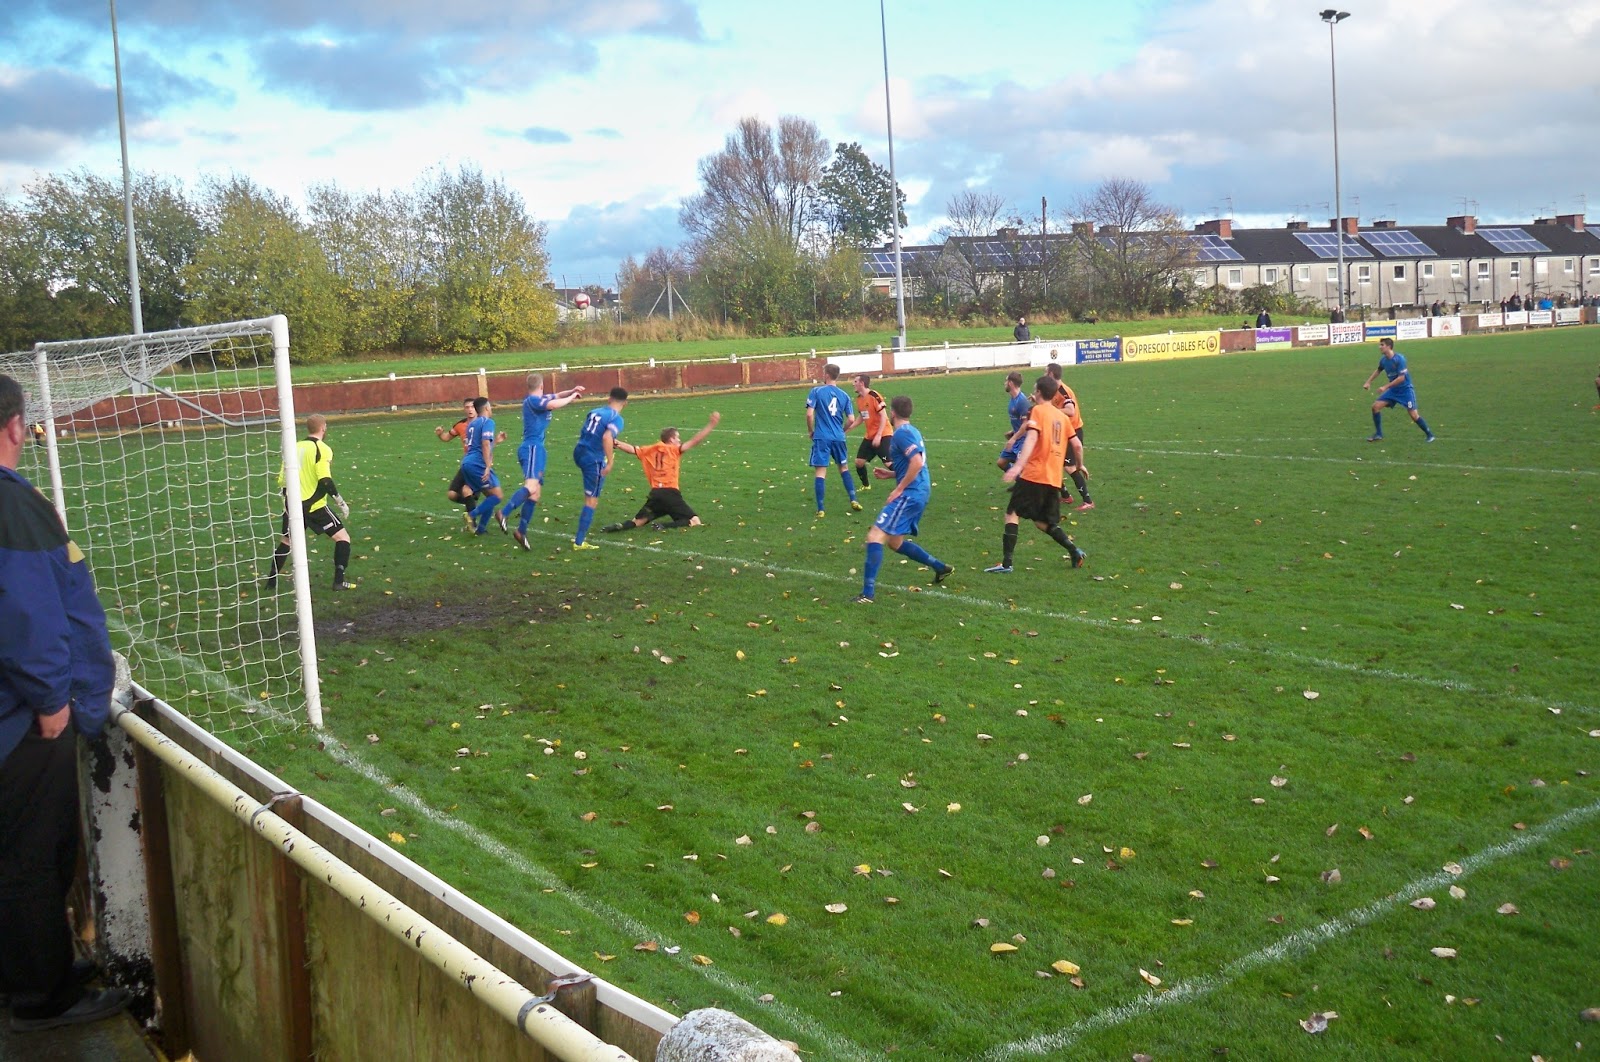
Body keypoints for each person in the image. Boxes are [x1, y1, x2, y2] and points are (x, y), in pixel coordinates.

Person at [0, 373, 130, 1031]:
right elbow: (26, 611)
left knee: (24, 852)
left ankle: (30, 967)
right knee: (32, 853)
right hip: (23, 724)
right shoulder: (9, 502)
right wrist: (52, 699)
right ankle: (40, 996)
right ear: (18, 425)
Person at [985, 375, 1086, 574]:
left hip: (1034, 474)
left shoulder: (1038, 411)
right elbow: (1077, 445)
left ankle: (1006, 563)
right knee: (1042, 522)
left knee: (1012, 513)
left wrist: (1017, 466)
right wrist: (1080, 466)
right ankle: (1074, 551)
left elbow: (1031, 438)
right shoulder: (1062, 417)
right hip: (1053, 478)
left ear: (1039, 392)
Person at [855, 395, 952, 602]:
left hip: (912, 492)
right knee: (895, 542)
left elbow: (916, 462)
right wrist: (890, 474)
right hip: (919, 490)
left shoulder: (901, 434)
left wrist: (899, 488)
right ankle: (940, 567)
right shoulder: (912, 430)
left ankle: (867, 594)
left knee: (874, 537)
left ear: (892, 413)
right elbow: (914, 463)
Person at [267, 413, 355, 590]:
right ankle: (339, 581)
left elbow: (282, 480)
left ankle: (271, 582)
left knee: (286, 541)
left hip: (293, 504)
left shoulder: (295, 447)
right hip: (314, 506)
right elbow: (325, 479)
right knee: (343, 538)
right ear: (323, 428)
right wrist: (340, 501)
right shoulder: (323, 449)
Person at [499, 374, 585, 551]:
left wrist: (572, 390)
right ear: (541, 385)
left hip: (537, 449)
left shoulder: (538, 398)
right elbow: (553, 404)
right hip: (532, 448)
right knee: (530, 487)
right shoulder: (533, 401)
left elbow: (557, 396)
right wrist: (571, 397)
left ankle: (521, 532)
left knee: (535, 494)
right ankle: (503, 512)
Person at [602, 413, 720, 532]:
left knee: (638, 521)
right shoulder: (674, 450)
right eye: (677, 437)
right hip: (670, 493)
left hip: (656, 494)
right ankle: (663, 526)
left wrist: (615, 442)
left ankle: (619, 527)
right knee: (695, 521)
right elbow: (695, 441)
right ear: (671, 439)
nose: (679, 440)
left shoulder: (650, 450)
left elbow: (631, 449)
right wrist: (711, 424)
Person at [571, 387, 628, 549]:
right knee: (591, 500)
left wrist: (609, 444)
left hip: (579, 452)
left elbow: (592, 432)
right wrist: (610, 461)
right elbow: (606, 436)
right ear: (625, 403)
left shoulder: (595, 411)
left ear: (609, 398)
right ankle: (579, 542)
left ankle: (579, 541)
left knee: (590, 494)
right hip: (593, 459)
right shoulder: (617, 418)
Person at [805, 364, 860, 518]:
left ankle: (821, 508)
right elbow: (851, 419)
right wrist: (842, 431)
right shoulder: (844, 395)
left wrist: (810, 431)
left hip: (822, 437)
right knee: (843, 468)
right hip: (838, 438)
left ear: (827, 375)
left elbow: (810, 414)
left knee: (821, 472)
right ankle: (853, 499)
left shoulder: (816, 391)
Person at [1362, 337, 1435, 442]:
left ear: (1389, 346)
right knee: (1375, 407)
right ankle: (1378, 434)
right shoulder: (1383, 360)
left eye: (1382, 345)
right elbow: (1378, 370)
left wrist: (1385, 387)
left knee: (1414, 415)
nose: (1380, 347)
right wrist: (1368, 382)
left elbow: (1401, 378)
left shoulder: (1399, 359)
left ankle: (1429, 434)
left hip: (1405, 390)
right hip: (1393, 391)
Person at [1045, 362, 1093, 511]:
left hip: (1073, 432)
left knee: (1069, 467)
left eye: (1045, 372)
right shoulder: (1053, 390)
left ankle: (1088, 501)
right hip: (1062, 432)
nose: (1044, 375)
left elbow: (1070, 410)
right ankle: (1065, 496)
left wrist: (1053, 410)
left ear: (1051, 374)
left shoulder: (1063, 391)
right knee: (1052, 462)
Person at [458, 398, 507, 534]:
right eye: (490, 406)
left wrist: (496, 441)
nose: (491, 409)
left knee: (490, 496)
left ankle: (481, 530)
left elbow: (479, 445)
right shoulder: (488, 422)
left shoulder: (472, 425)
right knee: (497, 496)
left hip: (467, 463)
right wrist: (487, 466)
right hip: (478, 464)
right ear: (486, 408)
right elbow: (485, 444)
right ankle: (471, 515)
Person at [437, 397, 480, 529]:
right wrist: (440, 434)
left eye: (472, 407)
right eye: (467, 407)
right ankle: (471, 505)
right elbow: (447, 437)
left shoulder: (483, 423)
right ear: (464, 409)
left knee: (466, 490)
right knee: (452, 494)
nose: (470, 410)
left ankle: (473, 523)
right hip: (466, 465)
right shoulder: (460, 425)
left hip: (478, 465)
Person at [851, 375, 892, 489]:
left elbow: (883, 416)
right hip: (870, 436)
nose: (853, 384)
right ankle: (866, 486)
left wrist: (879, 435)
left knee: (888, 463)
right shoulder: (859, 399)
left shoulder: (874, 396)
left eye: (855, 381)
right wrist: (848, 428)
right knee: (859, 462)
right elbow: (863, 416)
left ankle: (908, 480)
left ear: (862, 383)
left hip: (884, 434)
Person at [996, 371, 1032, 471]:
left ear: (1010, 383)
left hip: (1023, 440)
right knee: (1001, 462)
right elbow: (1020, 420)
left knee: (1024, 469)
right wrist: (1013, 431)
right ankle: (1019, 480)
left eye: (1006, 381)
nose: (1004, 383)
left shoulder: (1022, 401)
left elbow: (1026, 424)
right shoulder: (1013, 399)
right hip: (1017, 437)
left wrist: (1013, 439)